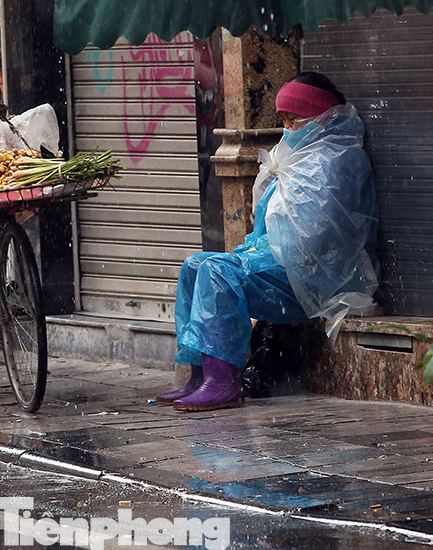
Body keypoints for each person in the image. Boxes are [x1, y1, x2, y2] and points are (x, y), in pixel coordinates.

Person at [157, 72, 379, 411]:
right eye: (284, 120)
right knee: (195, 265)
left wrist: (258, 255)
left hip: (312, 281)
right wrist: (254, 251)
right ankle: (200, 375)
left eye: (296, 119)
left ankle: (224, 382)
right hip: (281, 266)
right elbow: (268, 226)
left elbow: (316, 239)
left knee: (218, 271)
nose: (289, 127)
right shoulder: (295, 159)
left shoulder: (340, 161)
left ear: (322, 116)